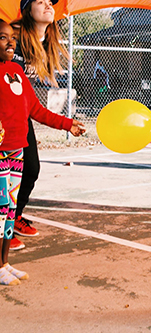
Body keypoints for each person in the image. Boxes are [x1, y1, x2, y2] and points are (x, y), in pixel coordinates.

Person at [0, 19, 85, 285]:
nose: (11, 42)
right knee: (0, 211)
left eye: (11, 37)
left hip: (17, 151)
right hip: (1, 154)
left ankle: (4, 262)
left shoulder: (16, 71)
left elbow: (35, 110)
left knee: (11, 211)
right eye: (3, 38)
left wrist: (67, 124)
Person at [10, 0, 70, 250]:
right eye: (40, 1)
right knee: (7, 172)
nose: (48, 5)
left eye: (50, 2)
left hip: (19, 111)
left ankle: (13, 219)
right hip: (4, 113)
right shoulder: (11, 36)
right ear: (27, 9)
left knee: (30, 168)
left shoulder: (47, 42)